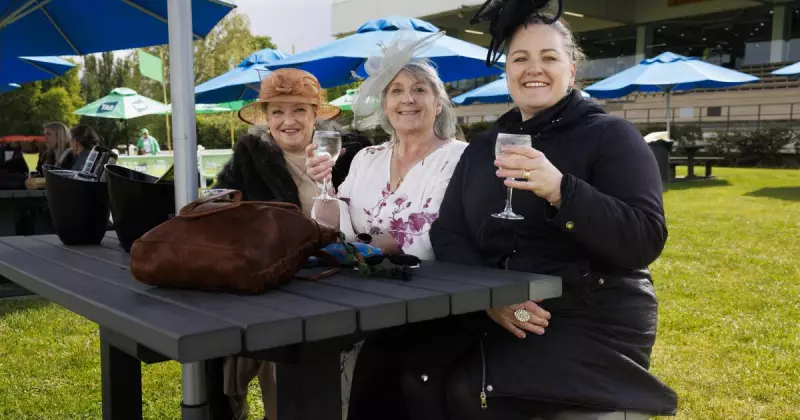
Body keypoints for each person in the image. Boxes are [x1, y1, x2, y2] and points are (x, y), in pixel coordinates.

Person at [416, 1, 678, 419]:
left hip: (591, 316)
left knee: (475, 390)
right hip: (504, 315)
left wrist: (561, 191)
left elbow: (643, 240)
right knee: (410, 371)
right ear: (507, 73)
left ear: (571, 71)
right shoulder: (485, 147)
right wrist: (491, 299)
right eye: (520, 58)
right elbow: (449, 233)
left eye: (549, 57)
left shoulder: (611, 136)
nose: (533, 68)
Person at [304, 31, 466, 418]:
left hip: (422, 308)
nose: (407, 99)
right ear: (385, 103)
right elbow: (334, 219)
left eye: (420, 89)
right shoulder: (366, 159)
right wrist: (321, 186)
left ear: (439, 101)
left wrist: (350, 246)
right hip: (354, 298)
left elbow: (422, 237)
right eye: (396, 90)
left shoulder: (459, 158)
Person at [212, 67, 358, 420]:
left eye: (298, 110)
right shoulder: (248, 159)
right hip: (275, 284)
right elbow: (222, 214)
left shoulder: (350, 156)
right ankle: (235, 402)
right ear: (266, 118)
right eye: (277, 111)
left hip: (339, 284)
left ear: (314, 116)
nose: (287, 121)